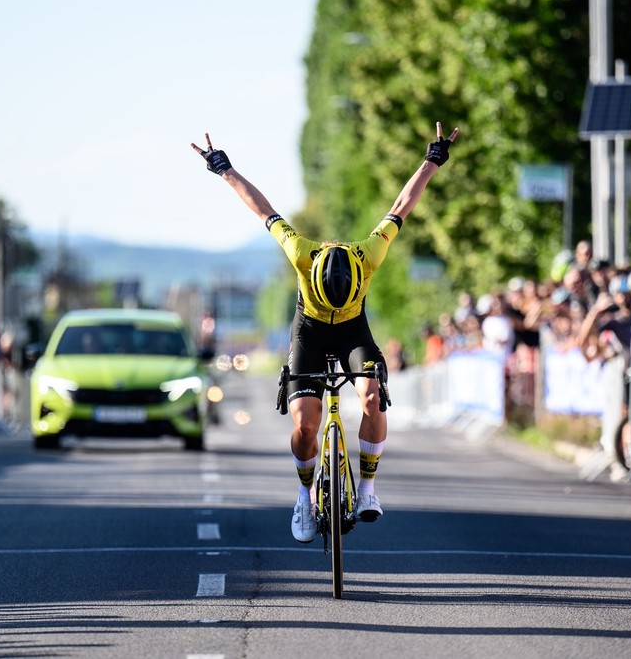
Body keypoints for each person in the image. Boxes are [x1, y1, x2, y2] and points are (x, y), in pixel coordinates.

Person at [192, 122, 459, 542]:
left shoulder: (369, 254)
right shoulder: (300, 251)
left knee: (373, 398)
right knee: (305, 422)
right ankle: (303, 495)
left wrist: (432, 161)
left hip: (353, 330)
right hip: (309, 333)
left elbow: (403, 205)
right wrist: (224, 169)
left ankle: (368, 491)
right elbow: (262, 208)